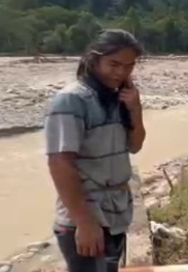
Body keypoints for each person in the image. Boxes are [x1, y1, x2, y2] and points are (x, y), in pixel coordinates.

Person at [44, 29, 145, 272]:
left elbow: (135, 146)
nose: (121, 73)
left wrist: (135, 109)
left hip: (116, 214)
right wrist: (84, 222)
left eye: (129, 66)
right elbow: (60, 164)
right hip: (87, 217)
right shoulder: (71, 101)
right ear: (94, 60)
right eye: (114, 64)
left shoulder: (119, 99)